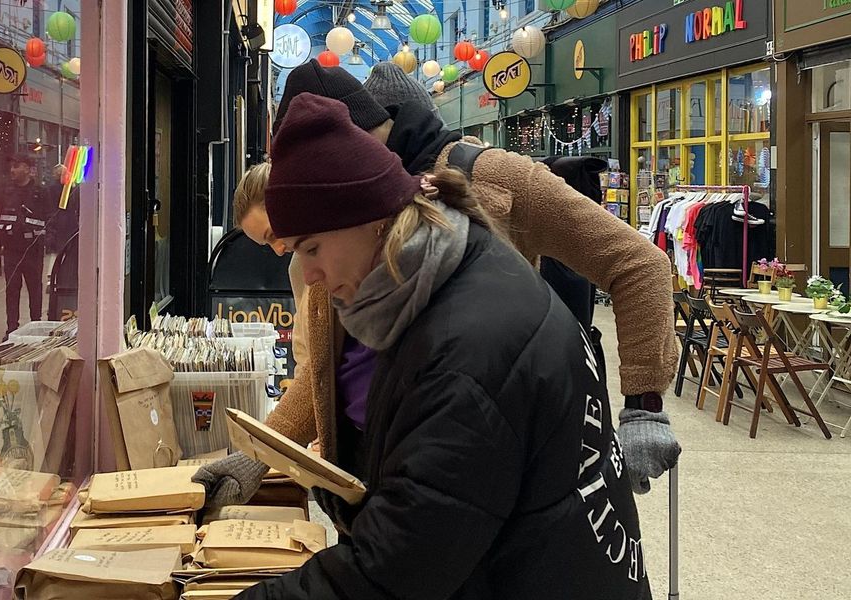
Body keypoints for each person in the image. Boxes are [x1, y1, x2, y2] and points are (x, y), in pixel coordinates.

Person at [226, 93, 650, 599]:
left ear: (372, 219)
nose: (309, 275)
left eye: (311, 248)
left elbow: (393, 571)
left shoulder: (464, 354)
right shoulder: (453, 267)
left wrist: (646, 405)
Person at [219, 60, 679, 494]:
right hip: (385, 486)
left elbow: (637, 263)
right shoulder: (335, 230)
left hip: (502, 472)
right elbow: (326, 370)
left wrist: (644, 406)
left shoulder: (494, 178)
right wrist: (258, 455)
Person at [0, 153, 52, 335]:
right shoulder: (7, 192)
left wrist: (48, 241)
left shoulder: (40, 193)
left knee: (35, 289)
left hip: (33, 251)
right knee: (12, 290)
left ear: (27, 169)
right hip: (11, 250)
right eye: (11, 167)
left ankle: (35, 325)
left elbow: (49, 219)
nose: (12, 170)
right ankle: (11, 329)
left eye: (17, 167)